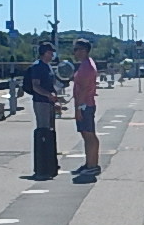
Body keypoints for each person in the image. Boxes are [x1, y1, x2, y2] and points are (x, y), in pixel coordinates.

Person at [69, 38, 101, 176]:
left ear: (84, 50)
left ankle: (92, 165)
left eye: (77, 49)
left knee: (89, 135)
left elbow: (82, 89)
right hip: (86, 103)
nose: (75, 52)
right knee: (87, 134)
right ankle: (89, 163)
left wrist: (78, 108)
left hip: (84, 104)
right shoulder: (87, 64)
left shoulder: (86, 67)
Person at [25, 42, 62, 132]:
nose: (52, 55)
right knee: (43, 128)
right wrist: (49, 95)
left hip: (50, 102)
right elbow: (35, 86)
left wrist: (56, 99)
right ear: (44, 53)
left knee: (50, 128)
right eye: (50, 52)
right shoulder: (37, 66)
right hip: (41, 102)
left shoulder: (48, 66)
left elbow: (51, 85)